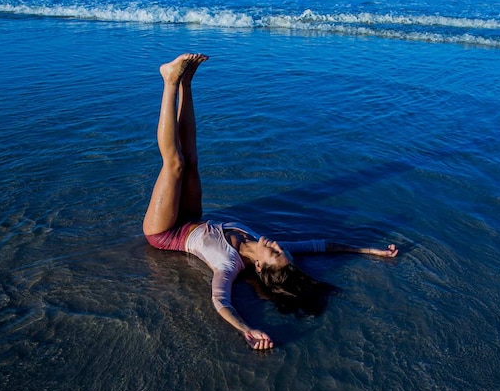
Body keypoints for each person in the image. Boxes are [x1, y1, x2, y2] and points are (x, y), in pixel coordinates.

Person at [143, 53, 399, 350]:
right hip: (193, 217)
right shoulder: (277, 251)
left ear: (261, 269)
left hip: (166, 233)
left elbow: (220, 301)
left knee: (175, 164)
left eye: (275, 253)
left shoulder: (227, 266)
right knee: (193, 160)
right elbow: (321, 245)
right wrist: (371, 250)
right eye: (281, 250)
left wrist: (246, 329)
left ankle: (169, 80)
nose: (278, 245)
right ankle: (186, 82)